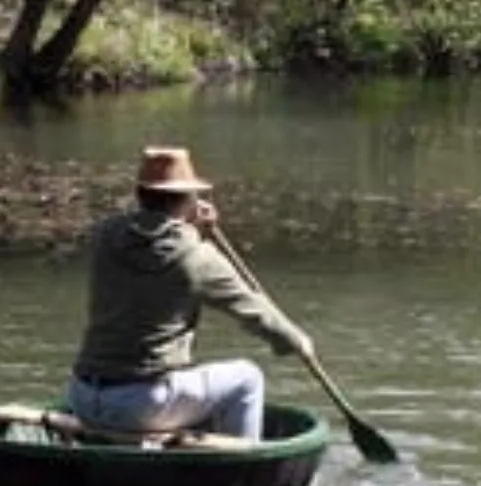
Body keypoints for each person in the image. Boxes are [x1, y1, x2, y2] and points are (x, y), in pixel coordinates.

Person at [66, 147, 314, 441]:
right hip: (144, 405)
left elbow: (149, 238)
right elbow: (255, 312)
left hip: (82, 396)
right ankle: (242, 470)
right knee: (248, 378)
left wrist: (189, 227)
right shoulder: (198, 257)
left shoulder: (103, 236)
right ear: (188, 199)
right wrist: (298, 341)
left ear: (139, 194)